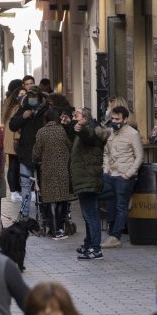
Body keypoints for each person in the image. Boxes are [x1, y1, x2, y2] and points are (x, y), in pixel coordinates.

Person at [69, 107, 110, 260]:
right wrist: (70, 125)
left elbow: (87, 135)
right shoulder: (84, 129)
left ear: (85, 117)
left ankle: (96, 248)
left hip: (89, 178)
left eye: (77, 115)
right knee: (87, 214)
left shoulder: (91, 130)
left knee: (91, 214)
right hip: (85, 178)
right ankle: (89, 243)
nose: (74, 117)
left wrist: (80, 129)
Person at [99, 106, 143, 248]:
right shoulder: (110, 133)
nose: (114, 121)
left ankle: (115, 236)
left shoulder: (133, 134)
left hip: (124, 176)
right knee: (103, 197)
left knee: (120, 206)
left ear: (125, 120)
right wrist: (105, 170)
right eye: (112, 118)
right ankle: (112, 230)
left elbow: (139, 156)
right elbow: (106, 153)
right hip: (110, 174)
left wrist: (128, 174)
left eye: (117, 119)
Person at [32, 109, 75, 239]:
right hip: (63, 169)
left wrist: (35, 159)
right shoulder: (63, 130)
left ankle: (54, 229)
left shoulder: (41, 132)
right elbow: (71, 146)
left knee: (51, 200)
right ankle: (60, 228)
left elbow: (36, 152)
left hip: (48, 170)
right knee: (62, 198)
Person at [9, 88, 48, 220]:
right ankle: (24, 214)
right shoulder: (24, 108)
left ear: (39, 97)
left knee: (44, 185)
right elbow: (12, 125)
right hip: (26, 153)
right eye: (29, 95)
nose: (31, 98)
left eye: (33, 96)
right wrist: (23, 117)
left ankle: (45, 213)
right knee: (25, 184)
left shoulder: (46, 110)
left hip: (43, 154)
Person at [1, 80, 24, 203]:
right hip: (15, 138)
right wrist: (17, 138)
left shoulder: (8, 103)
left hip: (8, 138)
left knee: (12, 166)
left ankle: (14, 191)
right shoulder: (17, 107)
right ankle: (15, 191)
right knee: (16, 166)